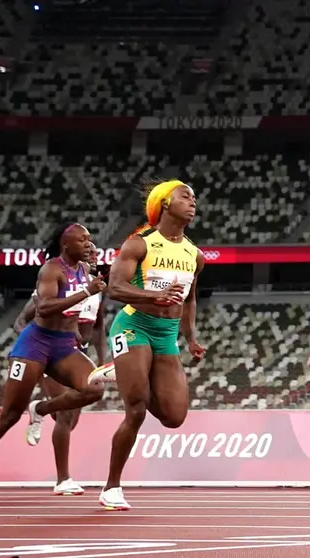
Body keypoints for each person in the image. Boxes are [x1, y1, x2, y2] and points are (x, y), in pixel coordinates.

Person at [0, 223, 107, 499]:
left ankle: (41, 408)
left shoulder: (84, 271)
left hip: (63, 347)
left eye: (90, 239)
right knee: (10, 415)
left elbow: (83, 315)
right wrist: (87, 293)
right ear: (66, 246)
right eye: (83, 240)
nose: (89, 244)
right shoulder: (52, 269)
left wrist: (78, 327)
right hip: (35, 343)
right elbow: (44, 307)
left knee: (95, 388)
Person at [88, 179, 206, 511]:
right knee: (136, 408)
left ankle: (123, 373)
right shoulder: (139, 245)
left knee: (174, 416)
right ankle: (112, 487)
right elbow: (115, 287)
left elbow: (190, 298)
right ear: (165, 203)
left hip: (166, 333)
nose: (193, 202)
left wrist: (191, 337)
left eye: (194, 198)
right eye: (185, 196)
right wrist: (155, 295)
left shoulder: (194, 254)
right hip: (134, 325)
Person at [12, 240, 108, 495]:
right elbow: (21, 321)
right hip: (52, 351)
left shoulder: (97, 287)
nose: (94, 255)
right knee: (65, 416)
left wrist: (103, 359)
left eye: (96, 252)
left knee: (72, 414)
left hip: (79, 353)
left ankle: (39, 409)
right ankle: (63, 478)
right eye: (89, 252)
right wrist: (38, 351)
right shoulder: (61, 284)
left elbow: (99, 326)